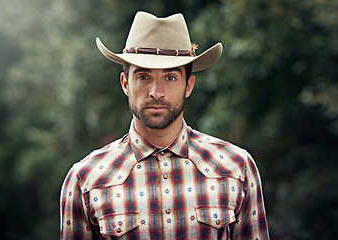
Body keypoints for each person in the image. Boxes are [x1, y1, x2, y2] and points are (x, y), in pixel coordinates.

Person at [60, 11, 269, 239]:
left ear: (188, 85)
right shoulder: (86, 179)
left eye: (170, 77)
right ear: (125, 84)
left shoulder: (236, 167)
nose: (156, 93)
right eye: (143, 77)